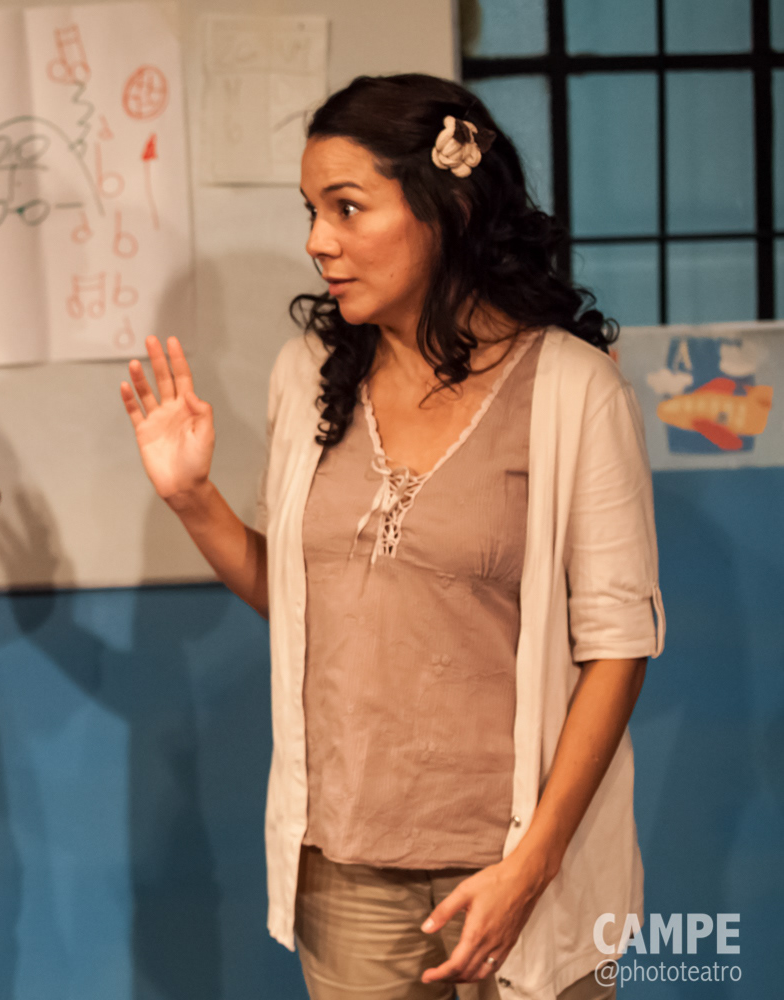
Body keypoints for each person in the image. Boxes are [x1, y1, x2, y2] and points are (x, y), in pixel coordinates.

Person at [121, 74, 662, 1000]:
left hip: (517, 861)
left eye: (346, 207)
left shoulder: (574, 390)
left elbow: (617, 647)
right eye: (311, 211)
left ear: (448, 206)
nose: (317, 240)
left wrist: (533, 864)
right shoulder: (308, 374)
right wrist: (191, 499)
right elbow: (304, 604)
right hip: (348, 864)